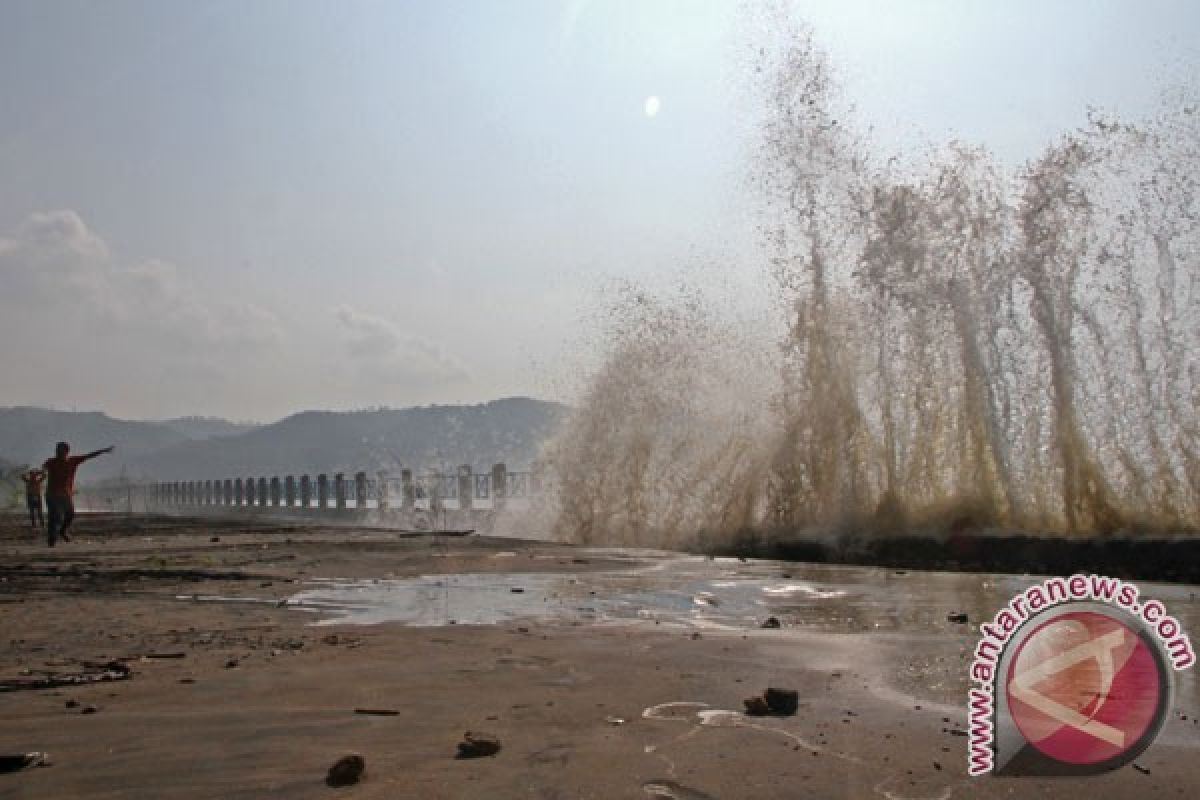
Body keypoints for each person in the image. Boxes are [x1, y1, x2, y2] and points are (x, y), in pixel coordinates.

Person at [42, 442, 114, 547]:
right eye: (57, 450)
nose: (57, 452)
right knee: (55, 517)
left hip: (66, 494)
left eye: (60, 450)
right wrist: (41, 472)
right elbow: (44, 467)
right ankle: (51, 540)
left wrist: (103, 451)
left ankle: (62, 531)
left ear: (66, 451)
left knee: (70, 515)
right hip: (52, 494)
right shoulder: (51, 462)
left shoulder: (73, 461)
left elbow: (89, 456)